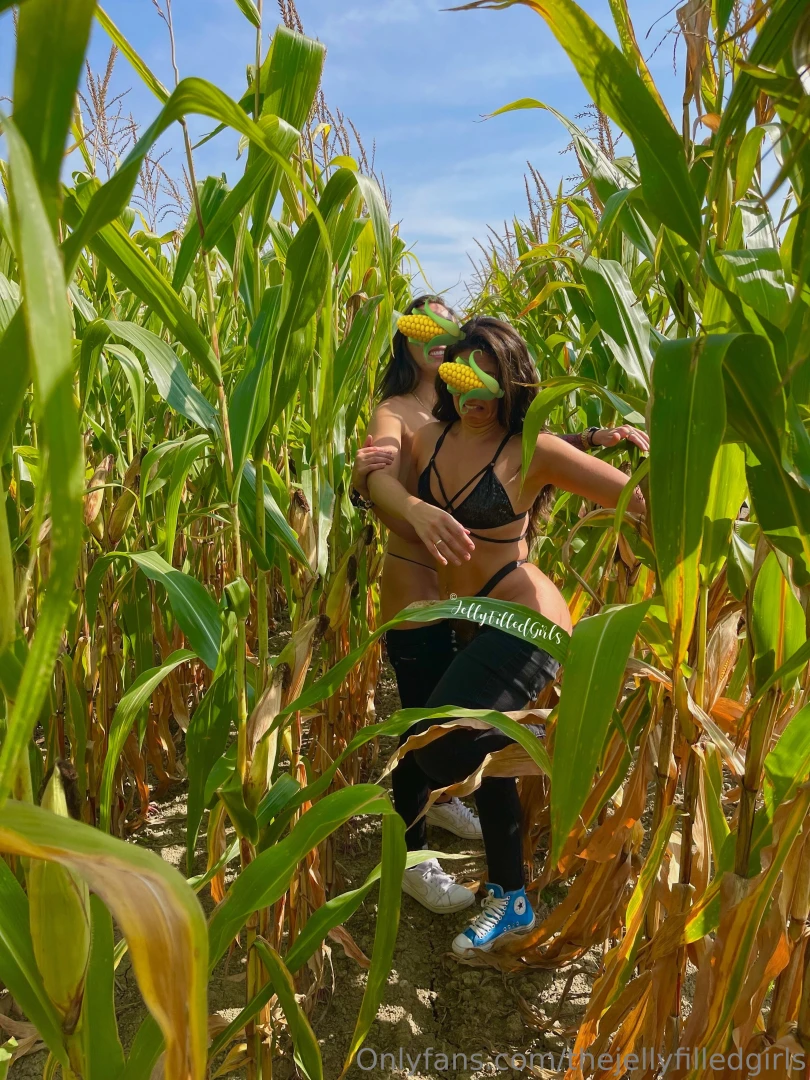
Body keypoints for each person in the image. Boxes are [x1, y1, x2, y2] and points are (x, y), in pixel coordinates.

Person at [351, 299, 648, 916]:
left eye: (448, 330)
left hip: (487, 602)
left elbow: (517, 446)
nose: (439, 344)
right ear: (407, 341)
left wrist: (595, 439)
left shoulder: (471, 419)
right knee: (422, 734)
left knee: (467, 736)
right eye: (422, 329)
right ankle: (415, 858)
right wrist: (385, 492)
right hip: (420, 591)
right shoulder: (404, 417)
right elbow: (380, 480)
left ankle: (499, 865)